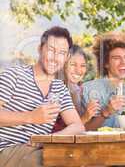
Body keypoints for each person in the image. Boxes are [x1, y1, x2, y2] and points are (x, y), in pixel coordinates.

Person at [0, 26, 85, 167]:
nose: (55, 57)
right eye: (51, 50)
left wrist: (50, 139)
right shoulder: (14, 75)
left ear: (66, 57)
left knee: (87, 157)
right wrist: (31, 116)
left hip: (39, 149)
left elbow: (77, 126)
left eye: (62, 53)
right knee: (57, 160)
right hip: (6, 148)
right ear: (40, 49)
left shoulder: (59, 88)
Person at [83, 33, 125, 130]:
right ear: (106, 63)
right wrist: (106, 111)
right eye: (116, 58)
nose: (123, 62)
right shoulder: (88, 89)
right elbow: (81, 130)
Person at [52, 45, 100, 132]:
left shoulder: (80, 89)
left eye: (82, 65)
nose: (78, 70)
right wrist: (85, 117)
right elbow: (57, 134)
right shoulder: (55, 91)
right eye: (73, 64)